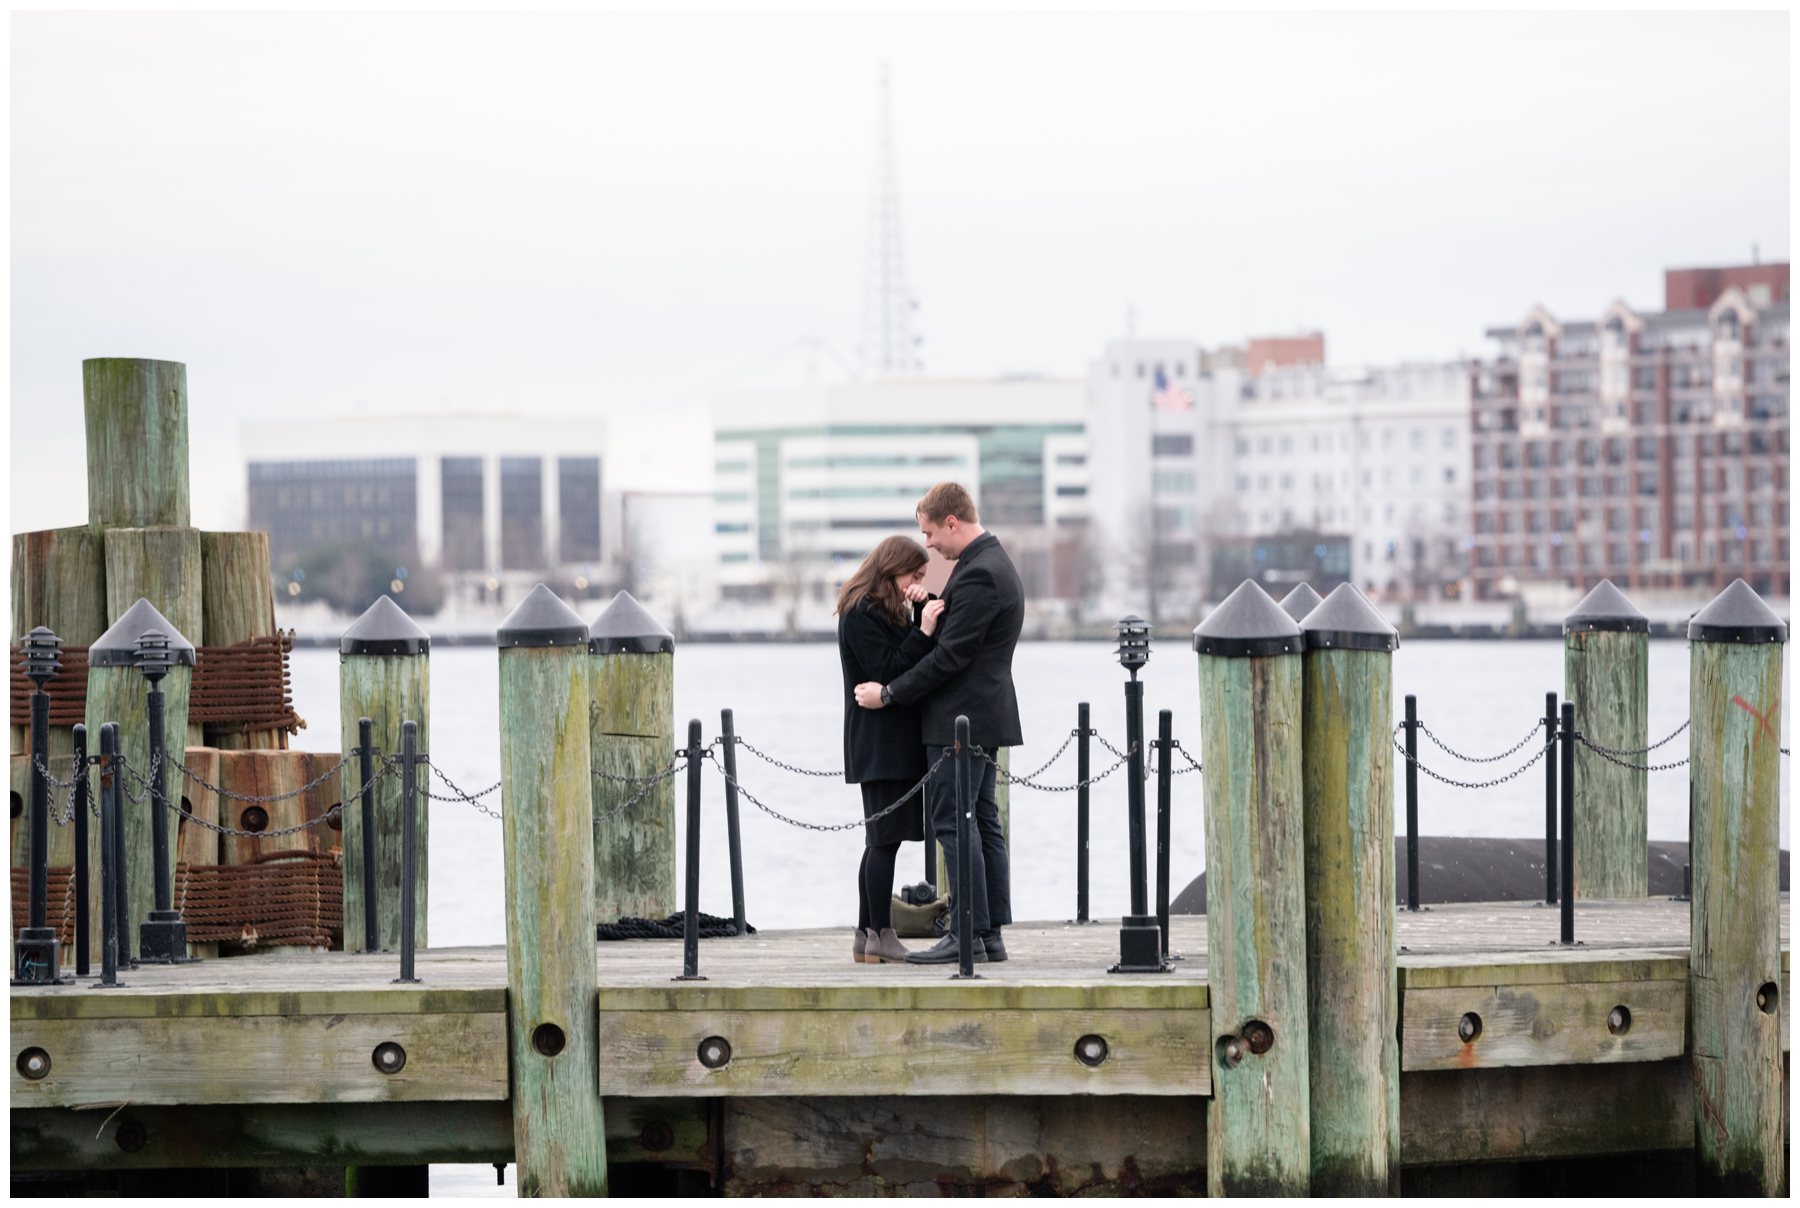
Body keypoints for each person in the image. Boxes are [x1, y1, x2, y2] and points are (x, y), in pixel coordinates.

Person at [853, 482, 1023, 964]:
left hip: (959, 722)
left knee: (956, 822)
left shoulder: (979, 575)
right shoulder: (987, 565)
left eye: (929, 533)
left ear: (952, 522)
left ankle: (967, 934)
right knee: (983, 820)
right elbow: (959, 634)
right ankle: (988, 934)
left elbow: (949, 657)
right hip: (980, 717)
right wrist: (925, 603)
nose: (927, 543)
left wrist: (888, 694)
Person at [835, 535, 945, 964]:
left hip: (885, 740)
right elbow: (889, 670)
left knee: (881, 840)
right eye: (913, 576)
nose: (915, 583)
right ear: (891, 569)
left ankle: (867, 935)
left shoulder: (881, 609)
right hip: (879, 741)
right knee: (884, 840)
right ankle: (882, 932)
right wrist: (923, 628)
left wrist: (923, 605)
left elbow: (906, 656)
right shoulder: (861, 612)